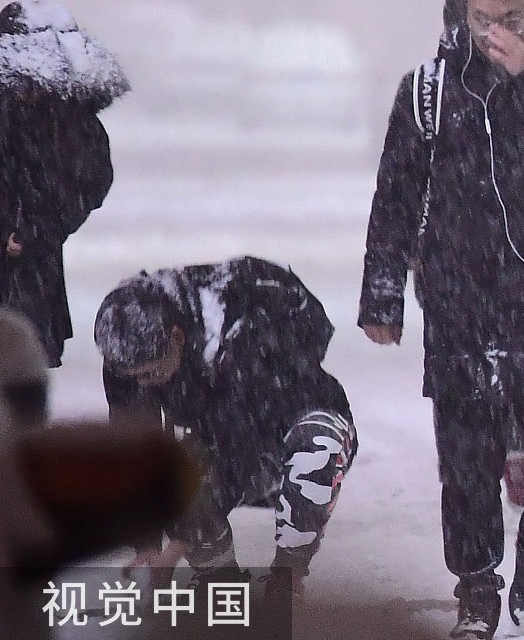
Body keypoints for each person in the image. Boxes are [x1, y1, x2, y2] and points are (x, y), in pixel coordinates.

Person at [359, 0, 524, 639]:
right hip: (461, 296)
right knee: (467, 456)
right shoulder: (430, 90)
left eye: (512, 17)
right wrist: (383, 289)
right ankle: (475, 585)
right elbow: (397, 191)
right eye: (482, 16)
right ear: (461, 10)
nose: (496, 31)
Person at [96, 258, 355, 601]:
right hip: (219, 430)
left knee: (315, 449)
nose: (145, 384)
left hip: (294, 417)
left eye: (152, 373)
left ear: (177, 338)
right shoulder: (126, 354)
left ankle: (287, 574)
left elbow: (239, 445)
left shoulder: (246, 323)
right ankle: (219, 579)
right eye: (136, 378)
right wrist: (147, 544)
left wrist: (174, 548)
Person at [0, 1, 124, 366]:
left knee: (18, 368)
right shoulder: (69, 118)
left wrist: (31, 230)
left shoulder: (67, 120)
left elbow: (91, 180)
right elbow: (91, 181)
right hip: (32, 274)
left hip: (28, 275)